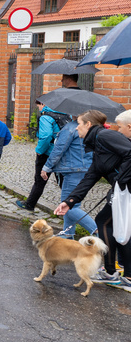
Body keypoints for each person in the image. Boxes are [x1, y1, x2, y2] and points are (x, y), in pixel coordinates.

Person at [55, 109, 131, 290]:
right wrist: (69, 201)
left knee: (105, 222)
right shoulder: (98, 143)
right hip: (123, 190)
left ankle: (116, 273)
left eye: (79, 124)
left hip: (126, 189)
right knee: (113, 224)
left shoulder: (104, 136)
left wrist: (121, 182)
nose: (76, 128)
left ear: (88, 125)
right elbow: (91, 175)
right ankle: (118, 273)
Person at [42, 114, 97, 239]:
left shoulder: (71, 128)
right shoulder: (92, 129)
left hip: (73, 170)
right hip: (86, 169)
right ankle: (68, 235)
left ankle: (97, 231)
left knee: (69, 206)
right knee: (70, 204)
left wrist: (47, 167)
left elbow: (59, 149)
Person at [16, 100, 67, 211]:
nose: (38, 108)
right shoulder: (65, 115)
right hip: (62, 152)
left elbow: (46, 136)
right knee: (63, 181)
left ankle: (29, 204)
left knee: (40, 180)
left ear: (43, 104)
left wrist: (39, 150)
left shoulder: (46, 117)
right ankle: (69, 206)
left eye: (38, 105)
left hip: (47, 153)